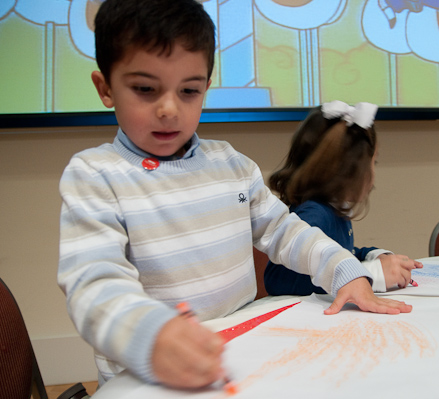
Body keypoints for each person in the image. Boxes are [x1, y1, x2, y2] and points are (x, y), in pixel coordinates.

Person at [57, 0, 412, 391]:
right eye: (145, 89)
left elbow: (286, 231)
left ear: (206, 87)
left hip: (243, 356)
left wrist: (344, 271)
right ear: (105, 87)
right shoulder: (94, 175)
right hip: (149, 376)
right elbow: (93, 283)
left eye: (189, 91)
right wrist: (151, 336)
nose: (169, 109)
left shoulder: (231, 163)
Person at [265, 101, 422, 296]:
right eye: (374, 162)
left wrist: (374, 256)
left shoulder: (332, 209)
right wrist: (368, 275)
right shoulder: (314, 216)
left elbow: (333, 256)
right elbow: (278, 281)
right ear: (354, 171)